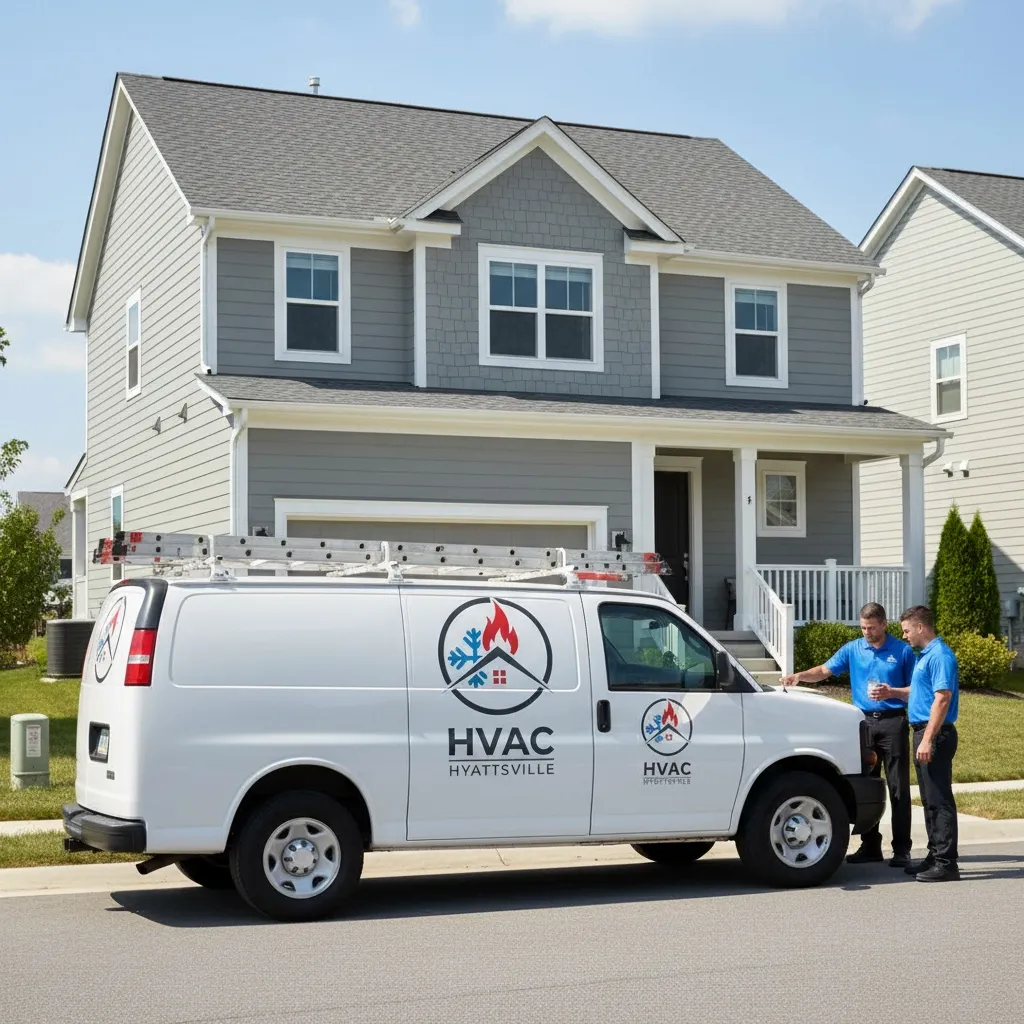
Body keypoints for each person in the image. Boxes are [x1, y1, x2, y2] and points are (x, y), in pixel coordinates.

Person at [779, 602, 916, 867]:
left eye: (872, 628)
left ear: (884, 624)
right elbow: (824, 671)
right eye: (863, 627)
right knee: (864, 786)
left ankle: (902, 850)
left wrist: (893, 693)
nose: (867, 632)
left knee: (898, 787)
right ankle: (870, 846)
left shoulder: (902, 651)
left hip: (892, 722)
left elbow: (916, 688)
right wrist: (799, 676)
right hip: (863, 723)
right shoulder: (853, 648)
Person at [872, 605, 960, 882]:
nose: (905, 635)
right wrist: (893, 692)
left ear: (921, 627)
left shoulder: (941, 656)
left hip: (935, 733)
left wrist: (929, 739)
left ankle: (947, 863)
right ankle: (935, 856)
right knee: (929, 799)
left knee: (939, 799)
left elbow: (942, 698)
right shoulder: (926, 656)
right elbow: (920, 691)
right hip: (922, 731)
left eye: (907, 630)